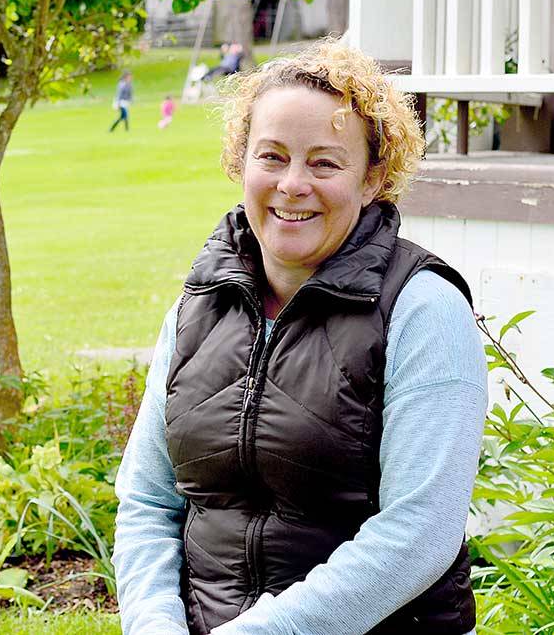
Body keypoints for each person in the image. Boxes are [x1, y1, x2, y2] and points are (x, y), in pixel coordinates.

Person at [113, 39, 487, 635]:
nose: (292, 184)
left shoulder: (422, 311)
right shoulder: (199, 305)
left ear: (373, 179)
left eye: (324, 163)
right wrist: (154, 624)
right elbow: (148, 501)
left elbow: (421, 532)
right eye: (272, 156)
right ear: (241, 163)